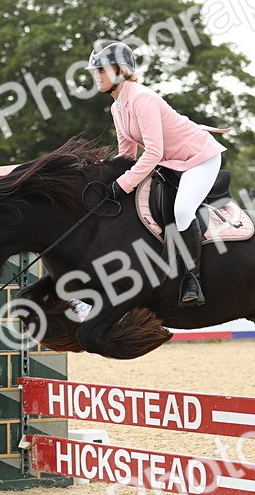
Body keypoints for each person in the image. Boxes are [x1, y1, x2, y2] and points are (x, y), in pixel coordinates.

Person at [89, 41, 228, 307]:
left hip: (199, 158)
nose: (97, 75)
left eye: (102, 70)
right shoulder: (117, 107)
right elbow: (127, 155)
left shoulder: (142, 98)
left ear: (121, 71)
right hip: (171, 162)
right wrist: (104, 176)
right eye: (96, 70)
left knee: (183, 210)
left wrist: (123, 184)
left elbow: (153, 152)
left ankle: (192, 279)